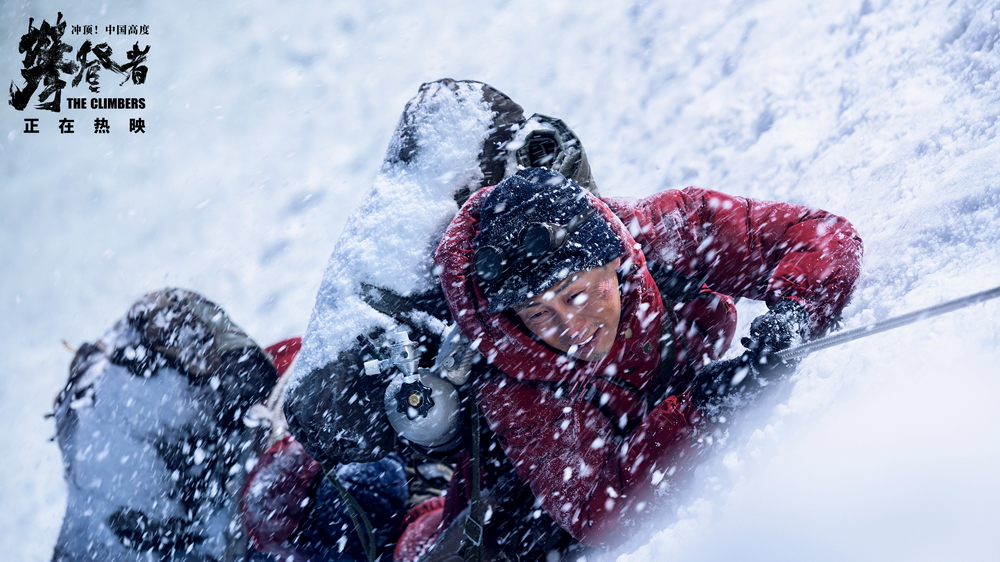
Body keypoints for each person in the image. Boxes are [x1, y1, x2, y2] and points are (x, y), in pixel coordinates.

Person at [429, 166, 863, 553]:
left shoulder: (665, 233)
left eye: (576, 295)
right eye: (539, 314)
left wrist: (797, 313)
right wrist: (698, 410)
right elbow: (595, 512)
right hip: (508, 518)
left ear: (612, 260)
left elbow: (822, 236)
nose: (571, 328)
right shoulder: (515, 386)